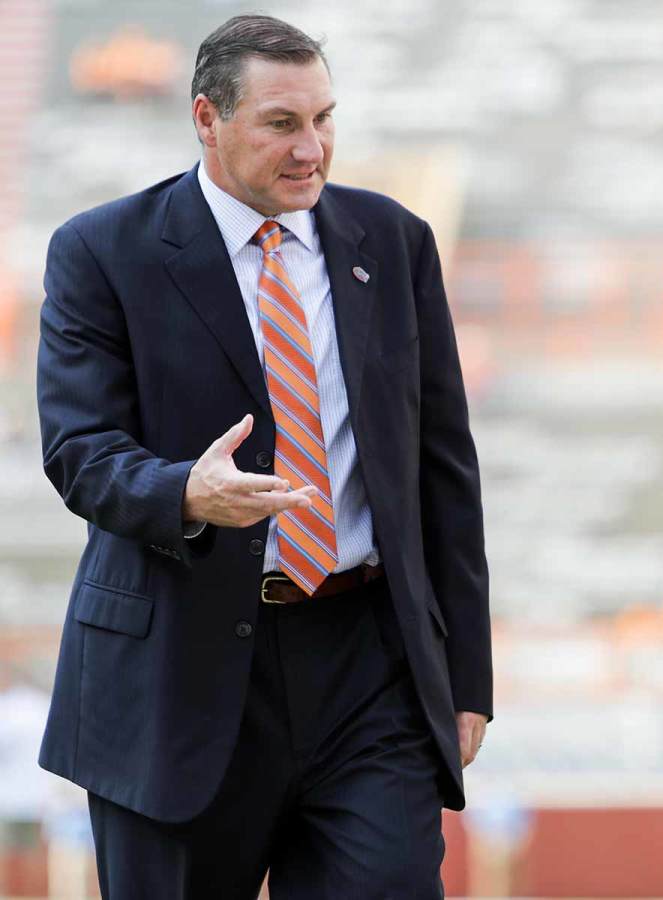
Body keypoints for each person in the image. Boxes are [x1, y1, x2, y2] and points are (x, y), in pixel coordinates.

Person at [36, 14, 490, 898]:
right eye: (282, 123)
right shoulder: (102, 252)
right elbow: (79, 450)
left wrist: (465, 676)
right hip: (179, 670)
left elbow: (444, 469)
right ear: (207, 119)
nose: (311, 148)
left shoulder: (393, 243)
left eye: (324, 119)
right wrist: (185, 494)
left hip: (369, 667)